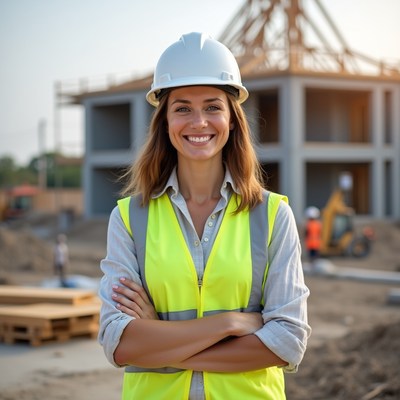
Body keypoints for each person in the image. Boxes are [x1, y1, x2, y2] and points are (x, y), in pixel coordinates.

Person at [98, 32, 311, 399]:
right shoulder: (130, 218)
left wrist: (158, 342)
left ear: (232, 120)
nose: (198, 122)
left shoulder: (274, 216)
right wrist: (230, 324)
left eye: (213, 107)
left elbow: (288, 342)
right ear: (165, 121)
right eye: (182, 108)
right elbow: (119, 344)